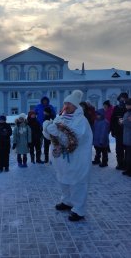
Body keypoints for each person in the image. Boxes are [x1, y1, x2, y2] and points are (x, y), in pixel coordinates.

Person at [43, 90, 93, 221]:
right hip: (61, 159)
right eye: (65, 103)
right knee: (63, 180)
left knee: (77, 183)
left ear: (76, 106)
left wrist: (56, 132)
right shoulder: (61, 117)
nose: (66, 105)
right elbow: (52, 134)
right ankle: (67, 201)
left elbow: (75, 139)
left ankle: (79, 209)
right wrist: (46, 129)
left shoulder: (81, 120)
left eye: (69, 103)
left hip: (77, 159)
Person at [110, 92, 128, 170]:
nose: (122, 99)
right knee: (119, 149)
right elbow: (112, 120)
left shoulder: (128, 108)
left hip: (127, 132)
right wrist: (113, 130)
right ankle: (120, 164)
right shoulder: (116, 108)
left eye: (124, 98)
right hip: (118, 132)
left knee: (127, 150)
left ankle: (127, 165)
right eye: (121, 98)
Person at [121, 98, 131, 177]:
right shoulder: (127, 112)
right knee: (127, 155)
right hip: (127, 136)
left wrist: (123, 121)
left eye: (127, 104)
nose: (126, 106)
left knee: (129, 155)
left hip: (129, 137)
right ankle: (128, 169)